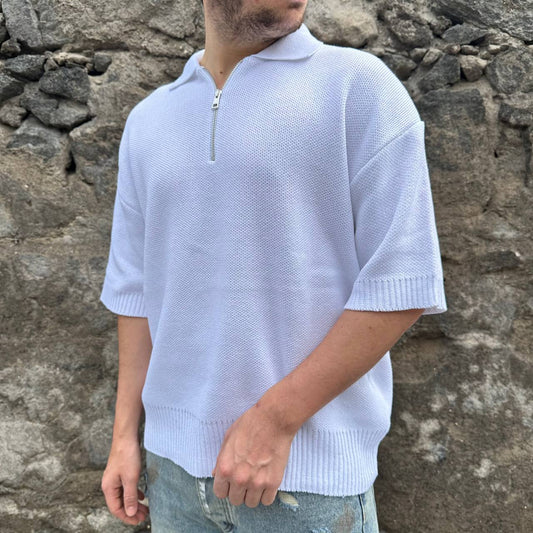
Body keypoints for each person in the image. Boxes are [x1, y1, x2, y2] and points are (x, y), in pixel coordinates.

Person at [99, 0, 448, 531]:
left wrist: (275, 420)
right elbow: (135, 291)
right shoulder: (149, 119)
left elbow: (402, 282)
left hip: (306, 481)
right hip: (171, 477)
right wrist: (126, 436)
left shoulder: (357, 87)